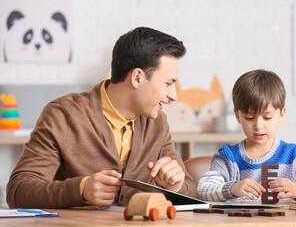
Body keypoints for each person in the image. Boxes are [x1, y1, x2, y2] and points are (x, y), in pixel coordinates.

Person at [7, 27, 197, 208]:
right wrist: (80, 190)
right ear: (137, 77)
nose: (174, 96)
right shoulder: (63, 115)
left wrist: (175, 186)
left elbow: (191, 191)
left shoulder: (157, 122)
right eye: (168, 83)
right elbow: (18, 191)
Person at [197, 69, 296, 202]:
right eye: (249, 117)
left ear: (281, 114)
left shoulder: (293, 155)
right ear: (237, 115)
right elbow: (204, 190)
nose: (258, 126)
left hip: (284, 223)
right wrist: (232, 188)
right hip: (242, 223)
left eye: (267, 117)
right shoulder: (228, 156)